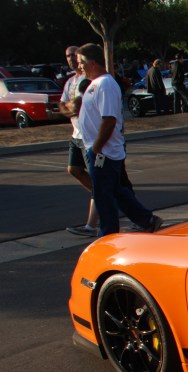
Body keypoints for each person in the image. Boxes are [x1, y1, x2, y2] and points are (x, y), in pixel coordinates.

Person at [72, 43, 161, 238]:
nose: (79, 67)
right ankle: (146, 220)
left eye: (81, 63)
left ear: (92, 62)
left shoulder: (105, 84)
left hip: (104, 152)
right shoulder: (95, 84)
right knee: (115, 191)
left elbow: (109, 119)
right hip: (99, 150)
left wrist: (96, 149)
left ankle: (108, 235)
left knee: (104, 196)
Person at [60, 45, 100, 237]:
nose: (71, 59)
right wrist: (69, 108)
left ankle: (91, 225)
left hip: (89, 137)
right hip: (75, 135)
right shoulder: (70, 82)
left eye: (75, 56)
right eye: (68, 56)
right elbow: (64, 106)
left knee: (104, 182)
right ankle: (101, 195)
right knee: (73, 169)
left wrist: (72, 107)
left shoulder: (89, 80)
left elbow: (78, 105)